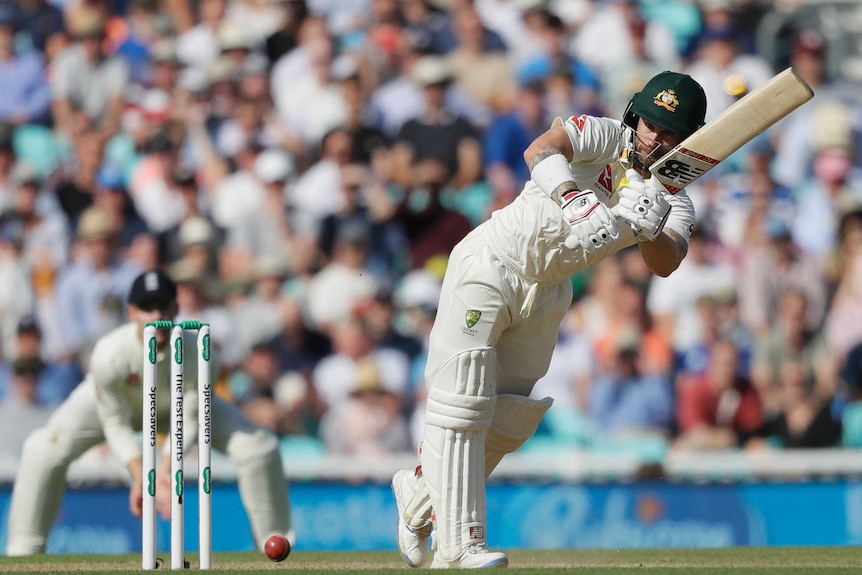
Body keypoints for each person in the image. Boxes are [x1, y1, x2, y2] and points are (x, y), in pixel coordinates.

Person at [391, 70, 707, 568]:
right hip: (493, 262)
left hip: (548, 293)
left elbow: (666, 263)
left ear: (687, 140)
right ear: (635, 115)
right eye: (651, 124)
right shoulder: (605, 135)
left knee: (508, 418)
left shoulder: (675, 197)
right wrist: (573, 199)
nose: (655, 138)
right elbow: (540, 148)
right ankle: (459, 548)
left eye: (670, 133)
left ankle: (418, 493)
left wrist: (652, 228)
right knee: (464, 401)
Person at [5, 269, 293, 556]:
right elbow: (115, 424)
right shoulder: (109, 354)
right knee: (41, 449)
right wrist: (142, 476)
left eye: (163, 307)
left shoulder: (200, 354)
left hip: (176, 411)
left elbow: (191, 422)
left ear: (177, 309)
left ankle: (274, 546)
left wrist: (164, 472)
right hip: (116, 408)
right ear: (131, 312)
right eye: (146, 308)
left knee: (258, 447)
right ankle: (24, 552)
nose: (156, 316)